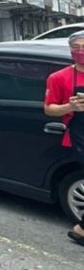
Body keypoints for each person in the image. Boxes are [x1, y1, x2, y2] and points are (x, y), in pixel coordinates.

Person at [43, 29, 84, 246]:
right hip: (80, 132)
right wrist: (70, 106)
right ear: (70, 51)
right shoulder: (58, 77)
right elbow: (49, 109)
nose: (80, 51)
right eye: (76, 47)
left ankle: (81, 229)